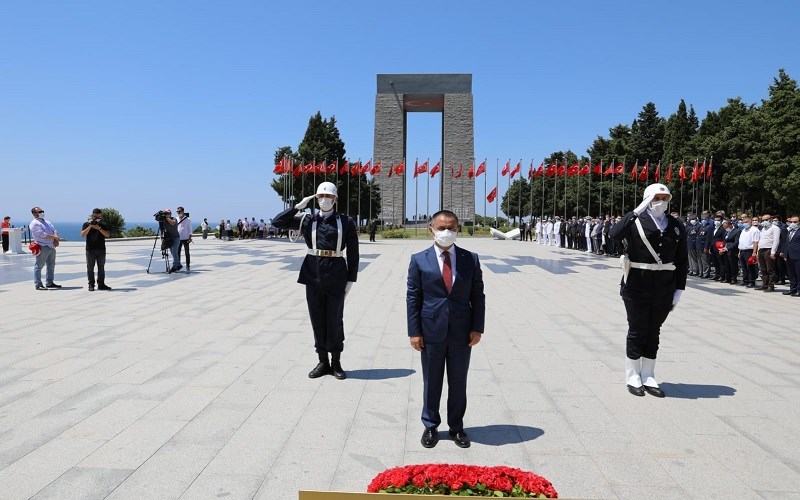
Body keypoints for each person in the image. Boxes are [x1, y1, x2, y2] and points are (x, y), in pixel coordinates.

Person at [407, 210, 485, 449]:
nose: (446, 232)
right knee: (432, 381)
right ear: (431, 229)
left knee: (458, 381)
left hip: (462, 332)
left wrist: (477, 328)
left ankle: (456, 426)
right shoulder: (419, 259)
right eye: (441, 228)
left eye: (451, 227)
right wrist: (414, 331)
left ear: (458, 229)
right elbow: (413, 297)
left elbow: (477, 295)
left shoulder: (469, 258)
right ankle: (430, 425)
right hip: (431, 331)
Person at [272, 182, 359, 380]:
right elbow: (277, 223)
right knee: (317, 318)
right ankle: (322, 361)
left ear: (335, 199)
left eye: (328, 196)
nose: (323, 199)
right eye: (320, 196)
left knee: (335, 319)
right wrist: (296, 207)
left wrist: (351, 279)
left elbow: (353, 253)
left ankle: (336, 361)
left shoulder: (346, 222)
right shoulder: (307, 220)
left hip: (336, 273)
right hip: (313, 273)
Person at [609, 183, 687, 398]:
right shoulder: (635, 221)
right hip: (637, 284)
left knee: (654, 330)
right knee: (637, 329)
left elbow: (682, 259)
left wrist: (679, 289)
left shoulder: (675, 224)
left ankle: (649, 375)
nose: (661, 201)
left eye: (665, 197)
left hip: (664, 286)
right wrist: (637, 210)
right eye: (656, 197)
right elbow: (614, 234)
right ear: (647, 198)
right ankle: (632, 375)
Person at [29, 207, 62, 290]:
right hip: (42, 246)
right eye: (40, 211)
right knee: (39, 266)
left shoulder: (46, 222)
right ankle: (38, 284)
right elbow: (42, 234)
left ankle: (49, 283)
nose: (42, 212)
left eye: (42, 211)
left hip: (51, 246)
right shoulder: (35, 223)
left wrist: (55, 239)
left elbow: (54, 230)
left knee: (51, 266)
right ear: (34, 214)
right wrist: (54, 237)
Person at [79, 208, 112, 291]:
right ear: (93, 215)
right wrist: (90, 226)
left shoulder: (103, 224)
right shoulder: (86, 224)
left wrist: (99, 228)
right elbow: (82, 234)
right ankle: (91, 285)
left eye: (98, 217)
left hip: (101, 249)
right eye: (95, 217)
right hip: (90, 249)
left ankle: (101, 284)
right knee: (90, 268)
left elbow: (107, 235)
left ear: (100, 216)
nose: (97, 219)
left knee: (101, 267)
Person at [756, 213, 781, 292]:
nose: (764, 221)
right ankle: (765, 284)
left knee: (770, 269)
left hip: (769, 249)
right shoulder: (763, 228)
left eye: (766, 220)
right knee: (763, 269)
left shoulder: (775, 228)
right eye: (763, 220)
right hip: (762, 249)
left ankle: (771, 285)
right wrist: (758, 250)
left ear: (770, 219)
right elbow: (761, 240)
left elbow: (776, 241)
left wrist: (773, 252)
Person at [738, 215, 760, 288]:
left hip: (749, 251)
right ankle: (745, 280)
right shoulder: (744, 230)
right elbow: (741, 241)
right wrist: (739, 251)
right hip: (742, 250)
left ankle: (752, 281)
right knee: (744, 267)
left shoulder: (754, 230)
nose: (745, 223)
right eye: (743, 222)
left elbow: (755, 242)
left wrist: (754, 252)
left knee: (750, 267)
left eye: (746, 222)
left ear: (750, 221)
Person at [780, 215, 800, 297]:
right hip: (789, 256)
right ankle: (792, 289)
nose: (792, 223)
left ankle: (799, 291)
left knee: (798, 274)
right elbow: (787, 243)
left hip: (798, 256)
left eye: (795, 222)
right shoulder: (789, 231)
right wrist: (785, 253)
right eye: (791, 222)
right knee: (791, 274)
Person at [176, 207, 192, 272]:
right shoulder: (176, 219)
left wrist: (190, 237)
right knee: (177, 253)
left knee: (187, 253)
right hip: (178, 238)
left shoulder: (188, 219)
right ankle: (178, 266)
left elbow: (190, 228)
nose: (178, 213)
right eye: (177, 212)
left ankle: (188, 266)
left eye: (179, 211)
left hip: (186, 238)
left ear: (183, 211)